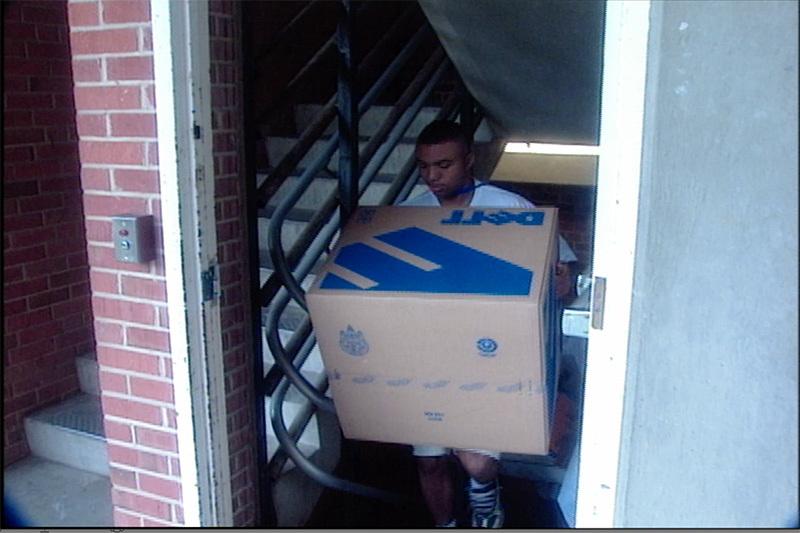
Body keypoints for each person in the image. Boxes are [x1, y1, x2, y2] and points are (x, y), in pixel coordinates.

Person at [400, 120, 577, 528]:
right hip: (426, 354)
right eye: (424, 166)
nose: (432, 176)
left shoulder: (510, 207)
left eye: (443, 165)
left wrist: (562, 281)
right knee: (429, 461)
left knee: (477, 462)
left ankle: (485, 499)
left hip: (489, 353)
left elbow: (562, 280)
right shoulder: (409, 211)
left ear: (469, 160)